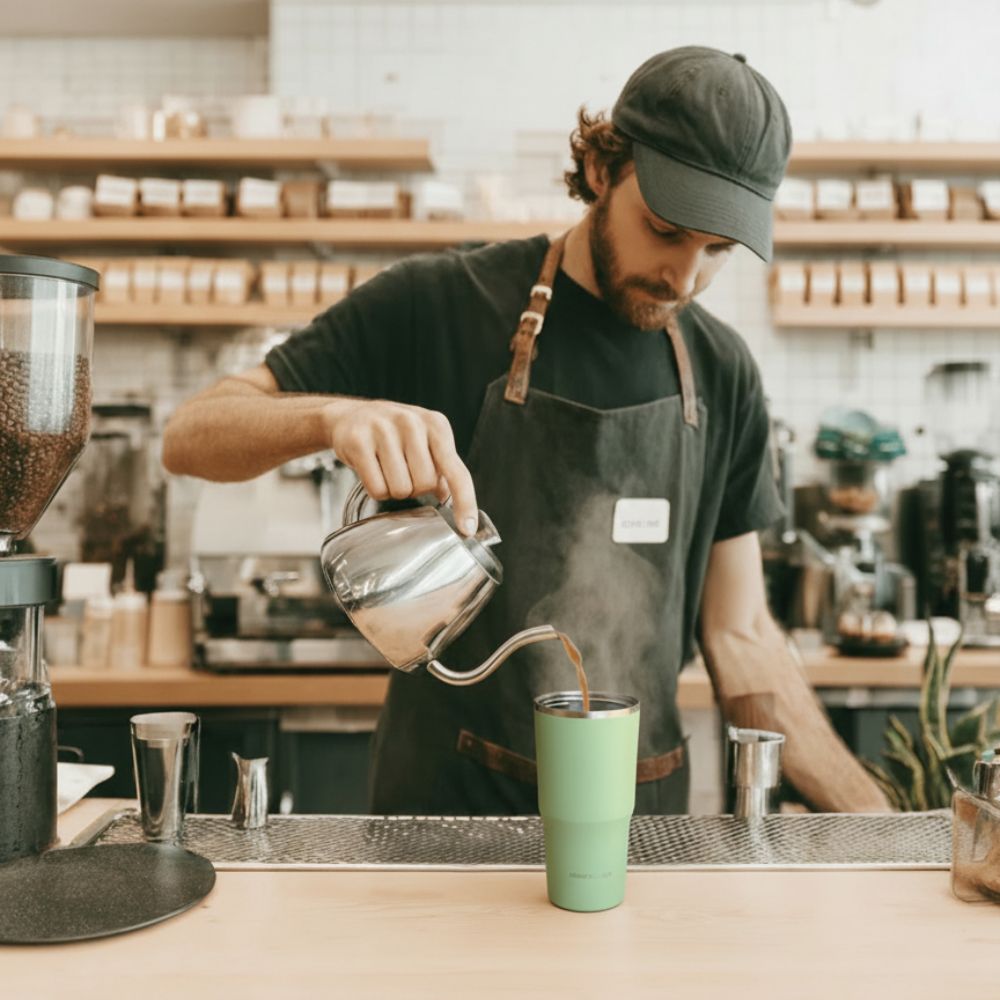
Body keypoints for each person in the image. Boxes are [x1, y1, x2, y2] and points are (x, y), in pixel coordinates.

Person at [164, 46, 890, 815]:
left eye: (717, 251)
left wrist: (882, 825)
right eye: (665, 229)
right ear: (606, 167)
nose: (684, 277)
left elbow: (741, 633)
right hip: (444, 825)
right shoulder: (440, 302)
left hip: (636, 829)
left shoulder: (723, 371)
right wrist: (333, 416)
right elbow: (192, 434)